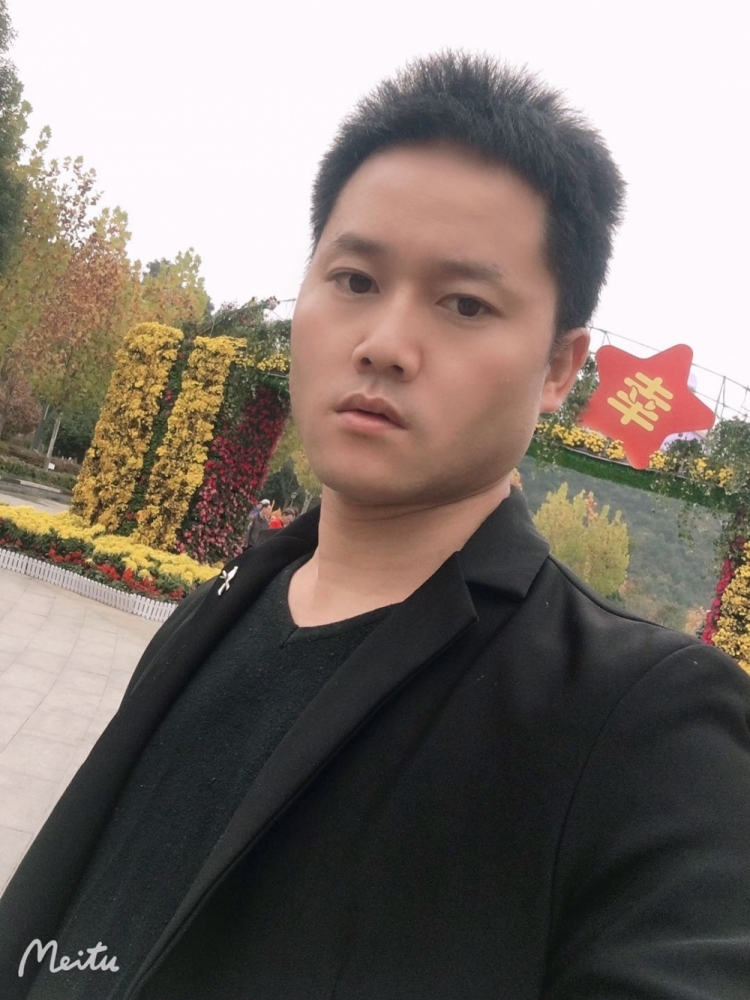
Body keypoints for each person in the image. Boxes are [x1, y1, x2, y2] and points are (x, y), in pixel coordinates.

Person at [2, 51, 749, 1000]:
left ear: (560, 369)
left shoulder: (640, 723)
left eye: (465, 303)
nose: (385, 344)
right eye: (354, 280)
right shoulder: (215, 611)